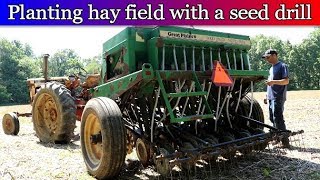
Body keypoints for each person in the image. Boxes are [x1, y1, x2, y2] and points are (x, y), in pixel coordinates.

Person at [262, 49, 290, 148]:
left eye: (268, 57)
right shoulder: (271, 68)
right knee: (272, 118)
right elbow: (269, 83)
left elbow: (286, 81)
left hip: (278, 96)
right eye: (265, 58)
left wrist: (273, 82)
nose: (266, 60)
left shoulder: (282, 66)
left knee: (278, 118)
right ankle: (277, 138)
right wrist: (266, 95)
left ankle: (285, 141)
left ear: (274, 55)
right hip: (271, 96)